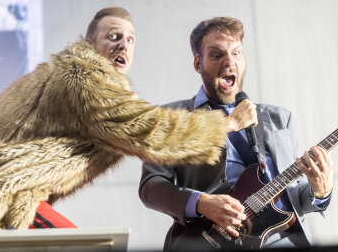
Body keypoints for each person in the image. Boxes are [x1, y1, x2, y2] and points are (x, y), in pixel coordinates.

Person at [0, 9, 256, 231]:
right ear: (90, 45)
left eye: (130, 40)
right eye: (113, 36)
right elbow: (150, 132)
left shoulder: (66, 77)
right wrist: (227, 124)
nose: (123, 45)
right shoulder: (83, 75)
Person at [139, 17, 333, 250]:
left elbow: (296, 196)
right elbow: (151, 186)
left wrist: (320, 192)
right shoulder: (171, 117)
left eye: (236, 53)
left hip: (282, 239)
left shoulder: (280, 118)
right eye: (217, 54)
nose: (230, 61)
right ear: (198, 64)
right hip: (211, 240)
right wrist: (202, 203)